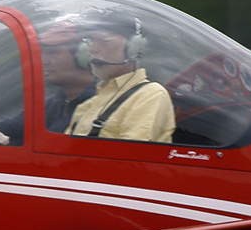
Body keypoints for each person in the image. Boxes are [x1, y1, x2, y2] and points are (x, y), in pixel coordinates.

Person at [65, 14, 176, 142]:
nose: (92, 49)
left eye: (104, 41)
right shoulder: (87, 105)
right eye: (91, 41)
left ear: (133, 49)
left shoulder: (151, 95)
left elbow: (129, 157)